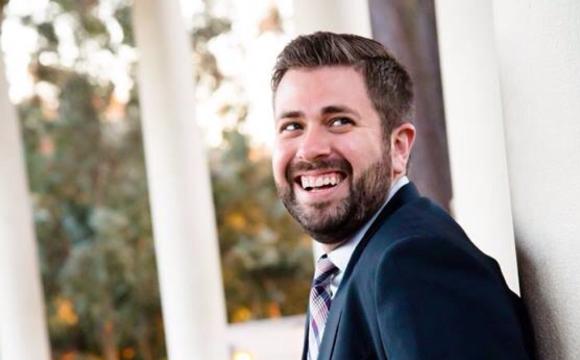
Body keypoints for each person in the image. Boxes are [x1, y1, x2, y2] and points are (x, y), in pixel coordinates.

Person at [270, 32, 535, 360]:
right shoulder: (353, 267)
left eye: (339, 121)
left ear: (398, 147)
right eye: (292, 126)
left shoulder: (414, 262)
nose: (310, 149)